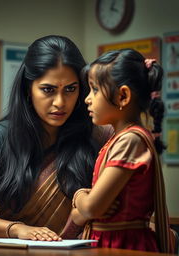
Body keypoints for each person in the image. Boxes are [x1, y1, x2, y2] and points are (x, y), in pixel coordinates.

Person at [0, 35, 111, 241]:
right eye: (48, 90)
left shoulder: (98, 135)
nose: (60, 102)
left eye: (71, 89)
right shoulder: (2, 137)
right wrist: (18, 229)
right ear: (29, 89)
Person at [71, 49, 171, 253]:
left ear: (123, 96)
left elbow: (91, 208)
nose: (87, 99)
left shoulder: (130, 141)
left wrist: (79, 195)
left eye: (95, 89)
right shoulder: (119, 139)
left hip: (123, 246)